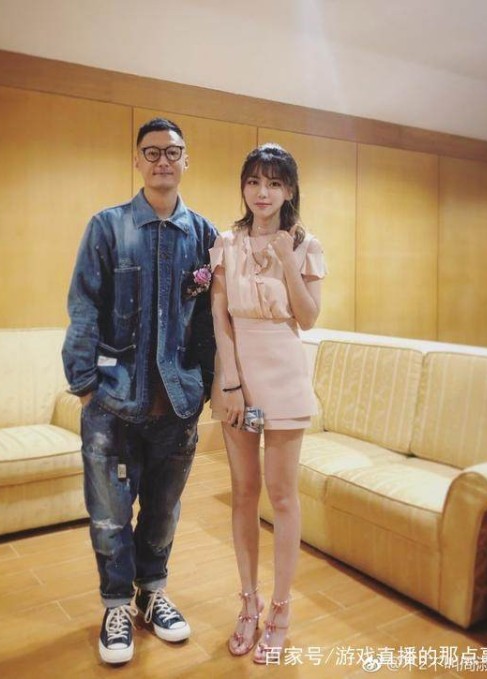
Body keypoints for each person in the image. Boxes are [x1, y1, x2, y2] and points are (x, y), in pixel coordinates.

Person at [62, 117, 217, 665]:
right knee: (109, 517)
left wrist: (205, 386)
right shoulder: (107, 227)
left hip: (177, 404)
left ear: (185, 160)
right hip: (112, 401)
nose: (162, 161)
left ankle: (152, 594)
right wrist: (84, 385)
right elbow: (83, 305)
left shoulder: (205, 235)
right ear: (137, 160)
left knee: (163, 512)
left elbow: (210, 321)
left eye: (172, 152)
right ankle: (115, 606)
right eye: (151, 152)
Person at [209, 143, 326, 664]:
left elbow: (309, 317)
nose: (263, 192)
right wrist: (231, 380)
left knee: (281, 496)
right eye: (254, 181)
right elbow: (219, 314)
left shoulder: (305, 244)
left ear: (289, 190)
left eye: (274, 183)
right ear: (243, 186)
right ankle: (248, 603)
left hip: (283, 376)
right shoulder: (226, 242)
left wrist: (286, 260)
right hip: (239, 379)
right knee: (243, 492)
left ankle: (280, 608)